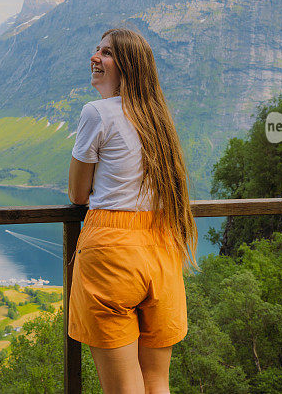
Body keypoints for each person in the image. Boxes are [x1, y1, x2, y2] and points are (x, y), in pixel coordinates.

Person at [67, 28, 198, 394]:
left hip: (111, 252)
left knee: (124, 388)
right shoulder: (158, 118)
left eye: (105, 53)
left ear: (127, 66)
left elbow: (78, 194)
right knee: (157, 382)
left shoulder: (96, 113)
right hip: (163, 248)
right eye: (96, 49)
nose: (95, 57)